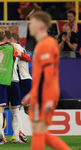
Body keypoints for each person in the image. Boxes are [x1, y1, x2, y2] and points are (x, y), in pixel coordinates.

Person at [22, 11, 71, 150]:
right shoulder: (43, 44)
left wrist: (48, 98)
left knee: (38, 130)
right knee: (40, 131)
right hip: (41, 93)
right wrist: (31, 93)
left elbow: (48, 72)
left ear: (41, 25)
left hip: (45, 94)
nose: (30, 26)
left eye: (33, 23)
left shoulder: (46, 44)